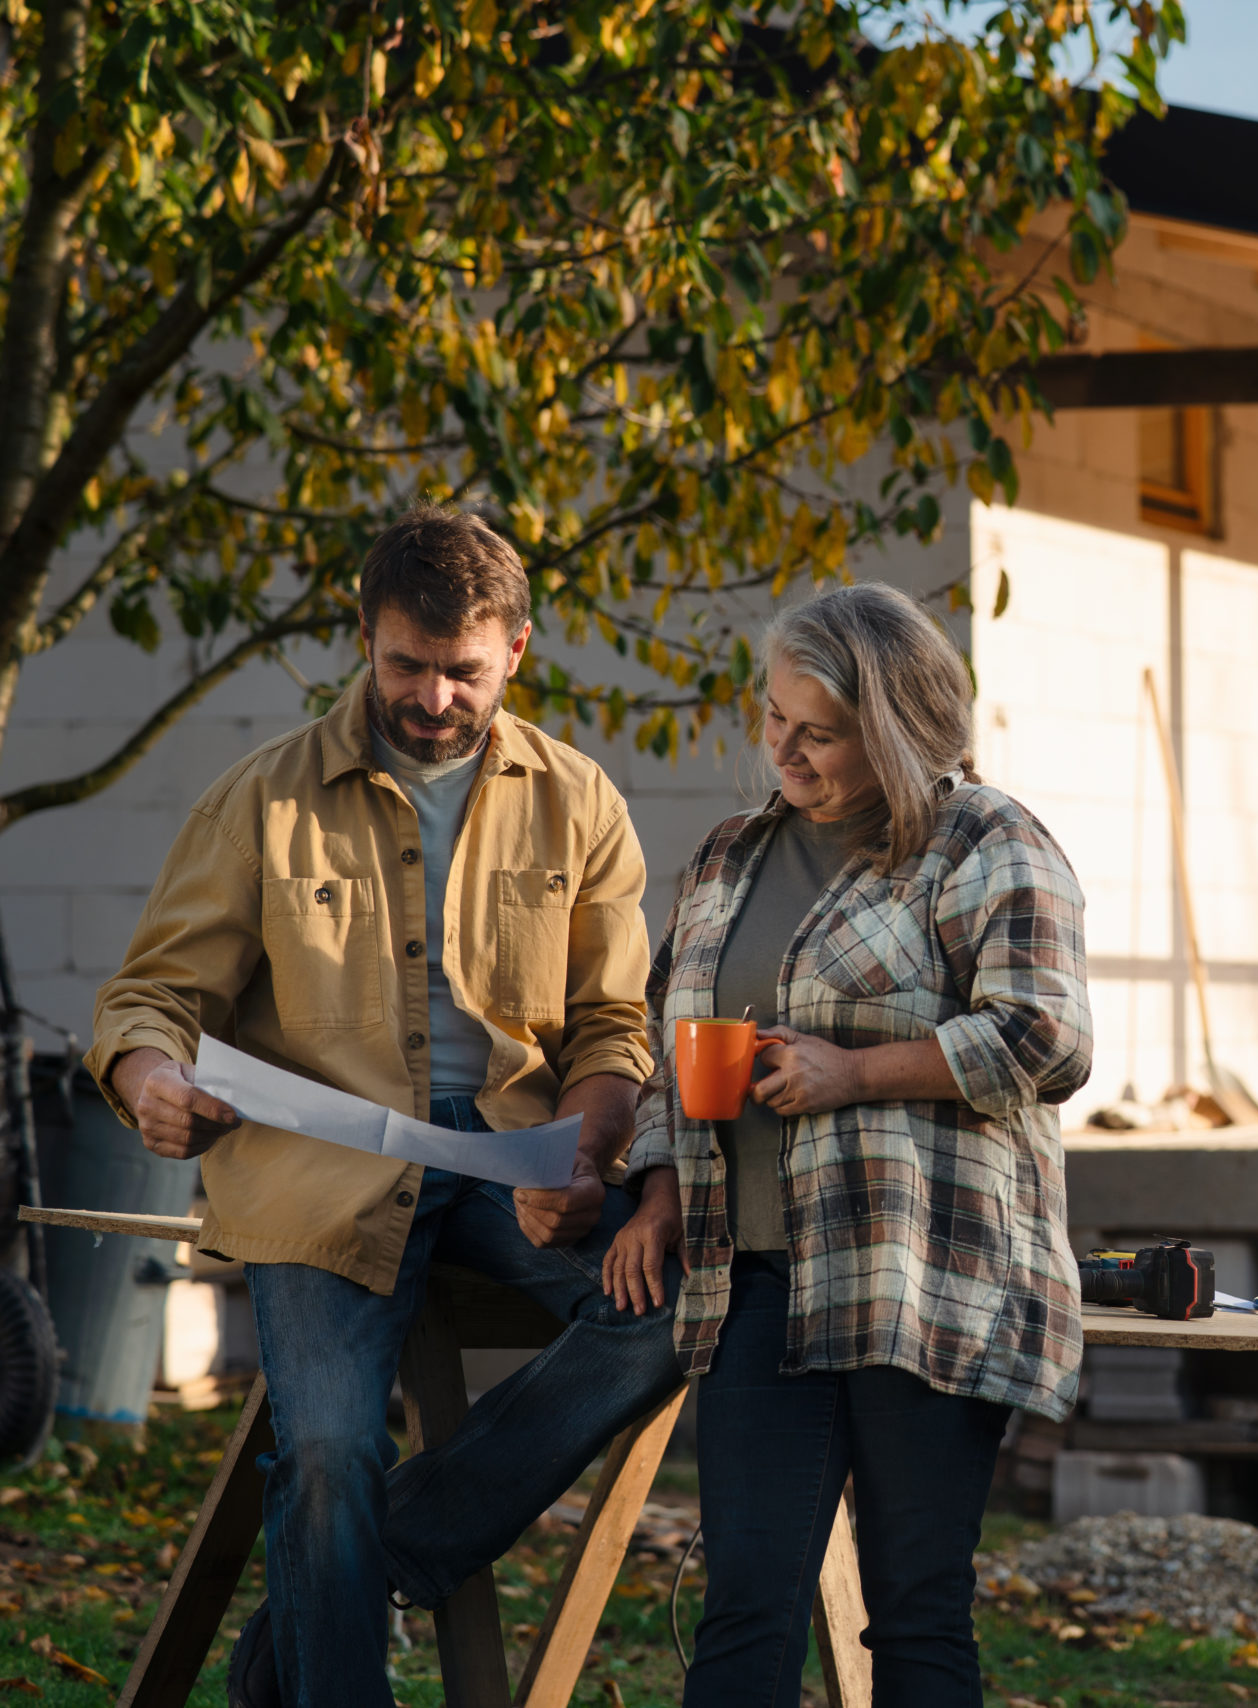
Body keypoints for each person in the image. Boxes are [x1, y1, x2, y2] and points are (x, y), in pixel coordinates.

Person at [86, 507, 685, 1708]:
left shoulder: (581, 801)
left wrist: (589, 1150)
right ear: (364, 635)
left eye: (463, 671)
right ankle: (336, 1592)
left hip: (518, 1152)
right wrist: (153, 1083)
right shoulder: (259, 800)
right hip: (318, 1164)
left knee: (681, 1309)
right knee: (323, 1453)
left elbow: (614, 1024)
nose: (433, 696)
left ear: (517, 648)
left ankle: (357, 1567)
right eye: (405, 663)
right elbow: (151, 996)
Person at [602, 583, 1090, 1708]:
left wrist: (855, 1071)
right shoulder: (732, 855)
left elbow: (1047, 1037)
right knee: (744, 1609)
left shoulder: (986, 842)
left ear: (894, 726)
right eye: (774, 717)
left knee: (914, 1613)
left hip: (919, 1276)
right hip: (754, 1280)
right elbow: (672, 1034)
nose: (784, 748)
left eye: (816, 731)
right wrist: (660, 1190)